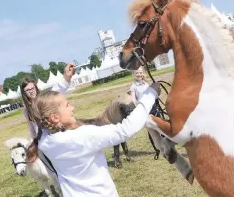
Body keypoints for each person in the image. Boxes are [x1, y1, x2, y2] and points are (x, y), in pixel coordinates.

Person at [26, 81, 161, 197]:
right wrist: (150, 94)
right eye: (67, 105)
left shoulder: (45, 141)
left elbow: (42, 111)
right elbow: (125, 129)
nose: (72, 107)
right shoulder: (83, 136)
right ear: (55, 117)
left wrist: (65, 80)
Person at [21, 63, 76, 140]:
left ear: (35, 88)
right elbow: (32, 128)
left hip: (55, 135)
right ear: (24, 92)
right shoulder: (26, 110)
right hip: (42, 140)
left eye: (32, 88)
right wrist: (34, 142)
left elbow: (57, 89)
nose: (31, 91)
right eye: (28, 90)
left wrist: (67, 77)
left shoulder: (44, 100)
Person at [129, 66, 161, 154]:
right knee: (151, 129)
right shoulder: (133, 87)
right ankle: (157, 149)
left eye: (140, 72)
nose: (139, 74)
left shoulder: (146, 84)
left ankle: (165, 144)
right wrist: (137, 106)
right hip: (145, 110)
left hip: (153, 108)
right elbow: (133, 100)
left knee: (159, 126)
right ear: (134, 74)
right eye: (137, 73)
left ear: (143, 73)